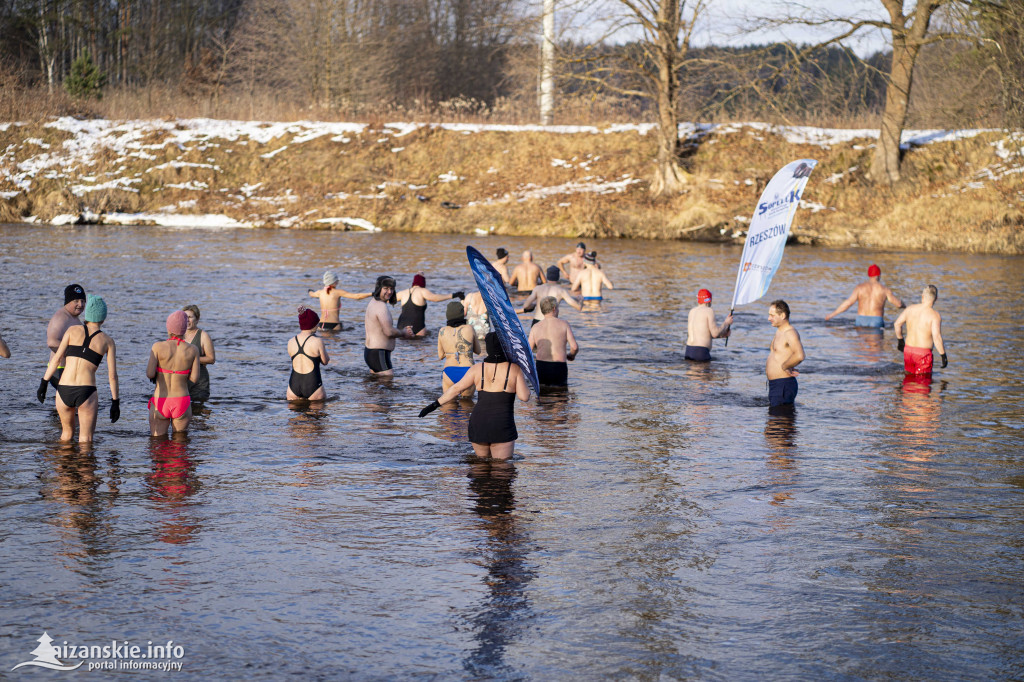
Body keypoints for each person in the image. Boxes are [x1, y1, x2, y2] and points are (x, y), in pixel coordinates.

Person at [419, 332, 531, 460]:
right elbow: (524, 397)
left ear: (488, 348)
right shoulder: (514, 369)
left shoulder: (477, 369)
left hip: (479, 423)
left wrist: (433, 406)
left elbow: (456, 389)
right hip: (502, 424)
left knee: (480, 468)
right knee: (502, 471)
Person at [38, 296, 119, 442]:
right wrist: (115, 402)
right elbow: (112, 375)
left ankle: (63, 463)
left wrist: (44, 383)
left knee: (66, 435)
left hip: (63, 390)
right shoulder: (108, 341)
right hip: (86, 391)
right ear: (103, 318)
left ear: (87, 315)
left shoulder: (72, 330)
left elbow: (56, 359)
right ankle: (84, 464)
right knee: (85, 439)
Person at [146, 311, 200, 437]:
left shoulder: (158, 347)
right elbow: (195, 378)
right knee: (180, 445)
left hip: (161, 400)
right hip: (181, 400)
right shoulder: (193, 350)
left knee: (157, 445)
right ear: (184, 329)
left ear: (169, 328)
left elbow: (149, 373)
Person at [825, 264, 904, 328]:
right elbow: (898, 304)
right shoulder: (884, 289)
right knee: (876, 346)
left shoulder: (860, 288)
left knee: (862, 345)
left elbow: (848, 303)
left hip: (861, 319)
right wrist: (904, 305)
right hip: (876, 320)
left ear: (869, 275)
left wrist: (832, 314)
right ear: (879, 275)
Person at [364, 275, 414, 376]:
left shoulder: (373, 303)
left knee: (375, 388)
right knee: (388, 384)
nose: (390, 292)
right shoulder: (381, 307)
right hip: (379, 353)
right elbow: (389, 332)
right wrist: (403, 332)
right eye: (386, 288)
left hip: (372, 352)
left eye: (392, 289)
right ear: (379, 288)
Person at [893, 284, 947, 376]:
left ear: (922, 296)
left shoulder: (910, 309)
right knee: (923, 383)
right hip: (923, 354)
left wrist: (900, 340)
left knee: (908, 380)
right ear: (936, 298)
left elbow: (897, 324)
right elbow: (936, 337)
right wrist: (943, 355)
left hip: (908, 351)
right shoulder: (934, 315)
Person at [528, 297, 579, 387]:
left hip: (541, 365)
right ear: (554, 308)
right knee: (561, 396)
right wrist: (571, 355)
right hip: (558, 366)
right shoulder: (564, 324)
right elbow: (574, 347)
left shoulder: (535, 327)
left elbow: (528, 350)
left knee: (542, 395)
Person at [395, 273, 464, 337]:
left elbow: (389, 300)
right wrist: (454, 295)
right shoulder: (422, 291)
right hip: (418, 326)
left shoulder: (402, 293)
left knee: (403, 344)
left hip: (401, 326)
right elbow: (435, 298)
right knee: (421, 345)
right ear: (423, 283)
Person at [438, 301, 482, 398]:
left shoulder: (442, 331)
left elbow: (440, 355)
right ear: (462, 314)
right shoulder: (469, 328)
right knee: (466, 406)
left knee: (448, 407)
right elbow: (478, 351)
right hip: (468, 371)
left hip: (449, 371)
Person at [766, 300, 805, 409]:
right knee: (774, 423)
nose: (769, 318)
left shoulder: (790, 333)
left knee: (780, 422)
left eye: (772, 315)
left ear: (782, 315)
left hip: (783, 385)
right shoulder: (779, 331)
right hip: (777, 385)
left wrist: (785, 366)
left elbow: (800, 355)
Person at [46, 284, 86, 389]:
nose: (80, 304)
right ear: (68, 301)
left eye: (82, 301)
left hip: (68, 370)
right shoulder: (61, 318)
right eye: (76, 301)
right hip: (60, 370)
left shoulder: (72, 317)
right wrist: (74, 353)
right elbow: (51, 342)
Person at [287, 308, 330, 401]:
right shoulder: (317, 341)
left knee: (295, 414)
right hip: (313, 385)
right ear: (313, 324)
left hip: (293, 386)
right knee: (318, 414)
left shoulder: (291, 341)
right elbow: (325, 362)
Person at [684, 289, 733, 361]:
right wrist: (726, 323)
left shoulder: (692, 311)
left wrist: (723, 335)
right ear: (709, 300)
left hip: (688, 351)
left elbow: (702, 335)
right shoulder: (709, 310)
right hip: (700, 353)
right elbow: (715, 333)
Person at [182, 304, 216, 403]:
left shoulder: (203, 336)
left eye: (190, 317)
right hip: (182, 383)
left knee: (199, 413)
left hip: (200, 384)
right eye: (184, 317)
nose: (187, 320)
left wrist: (191, 358)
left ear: (197, 319)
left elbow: (211, 359)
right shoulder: (179, 335)